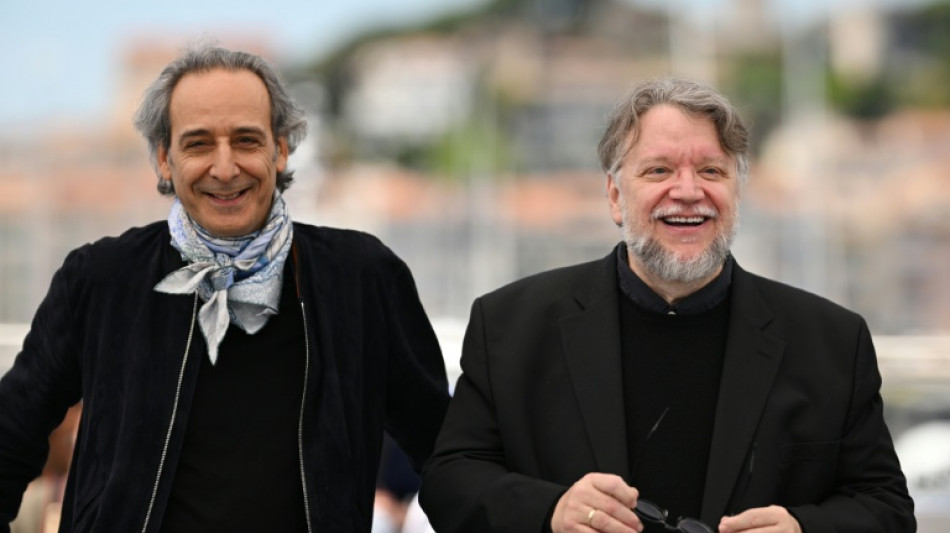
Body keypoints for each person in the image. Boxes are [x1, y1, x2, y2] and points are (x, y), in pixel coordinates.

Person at [419, 78, 916, 533]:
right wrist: (551, 512)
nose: (688, 191)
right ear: (615, 196)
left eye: (711, 170)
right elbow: (449, 482)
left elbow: (887, 507)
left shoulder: (832, 340)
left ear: (737, 192)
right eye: (659, 170)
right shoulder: (509, 326)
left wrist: (802, 529)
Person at [0, 45, 449, 532]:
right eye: (198, 144)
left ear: (280, 150)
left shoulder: (362, 279)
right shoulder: (100, 279)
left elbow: (448, 455)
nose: (225, 167)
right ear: (164, 159)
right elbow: (10, 438)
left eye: (246, 140)